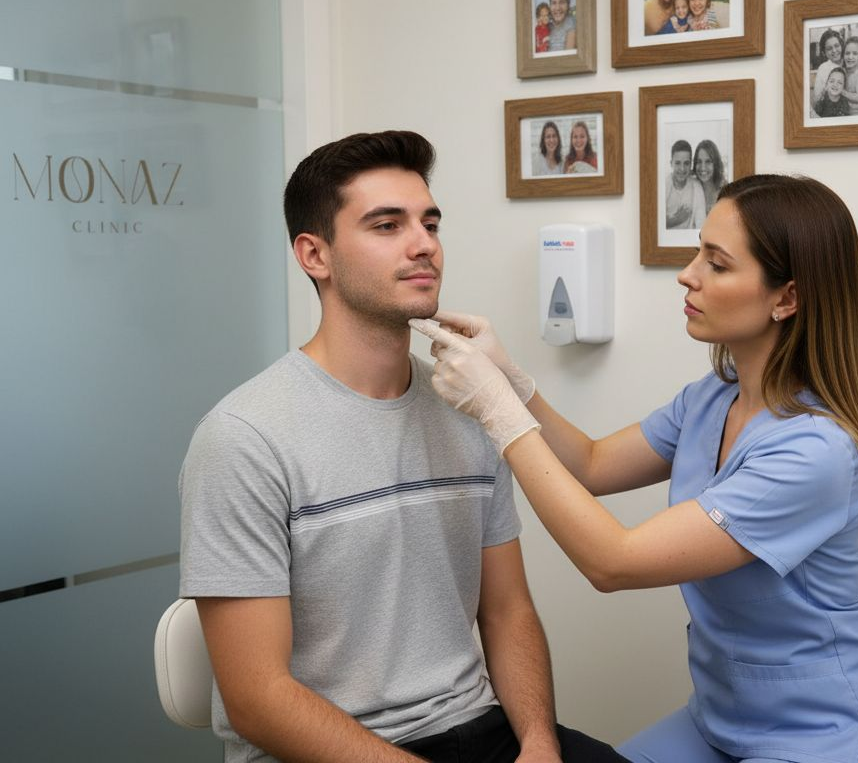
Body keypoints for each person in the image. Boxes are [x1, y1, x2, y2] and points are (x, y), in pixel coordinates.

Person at [411, 173, 858, 763]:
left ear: (786, 298)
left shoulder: (815, 452)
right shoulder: (714, 396)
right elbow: (593, 463)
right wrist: (514, 381)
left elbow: (613, 564)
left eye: (718, 263)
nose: (688, 274)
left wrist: (497, 414)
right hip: (719, 721)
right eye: (698, 251)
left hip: (826, 735)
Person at [178, 130, 626, 763]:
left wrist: (539, 741)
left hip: (480, 728)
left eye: (430, 223)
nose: (424, 246)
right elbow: (257, 698)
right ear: (315, 255)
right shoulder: (245, 438)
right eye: (387, 225)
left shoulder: (467, 406)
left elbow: (506, 611)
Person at [665, 139, 706, 230]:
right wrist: (676, 220)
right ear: (671, 163)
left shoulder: (696, 187)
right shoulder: (663, 186)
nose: (682, 168)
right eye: (678, 163)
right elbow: (653, 221)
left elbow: (701, 225)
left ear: (691, 164)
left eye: (686, 163)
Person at [810, 29, 845, 110]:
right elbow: (817, 99)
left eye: (837, 46)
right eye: (829, 48)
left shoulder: (849, 61)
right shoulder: (823, 68)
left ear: (841, 45)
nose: (834, 50)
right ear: (824, 53)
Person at [692, 139, 725, 210]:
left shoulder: (725, 191)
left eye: (708, 161)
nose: (703, 167)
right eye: (699, 161)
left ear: (716, 164)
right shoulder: (692, 187)